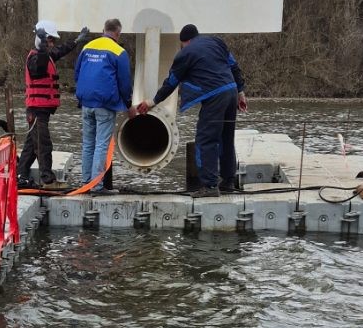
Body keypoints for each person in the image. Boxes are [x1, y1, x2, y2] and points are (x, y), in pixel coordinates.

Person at [139, 23, 247, 195]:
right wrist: (240, 92)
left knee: (205, 139)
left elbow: (172, 82)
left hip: (215, 96)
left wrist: (153, 102)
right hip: (231, 91)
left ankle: (210, 186)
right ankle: (228, 181)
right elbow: (234, 66)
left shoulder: (185, 53)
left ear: (184, 42)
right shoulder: (216, 42)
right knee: (226, 137)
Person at [18, 19, 89, 185]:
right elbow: (41, 65)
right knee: (43, 145)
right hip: (36, 110)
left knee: (31, 145)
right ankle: (47, 178)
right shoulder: (35, 60)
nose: (52, 44)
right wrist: (42, 45)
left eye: (52, 40)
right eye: (49, 40)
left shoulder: (47, 55)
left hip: (40, 110)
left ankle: (21, 174)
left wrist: (76, 41)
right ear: (41, 39)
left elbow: (60, 51)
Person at [74, 18, 135, 187]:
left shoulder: (87, 47)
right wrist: (128, 104)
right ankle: (96, 185)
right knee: (101, 145)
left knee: (88, 144)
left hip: (86, 103)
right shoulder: (118, 52)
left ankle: (85, 181)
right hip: (105, 105)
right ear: (117, 33)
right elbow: (124, 83)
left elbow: (77, 73)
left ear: (103, 30)